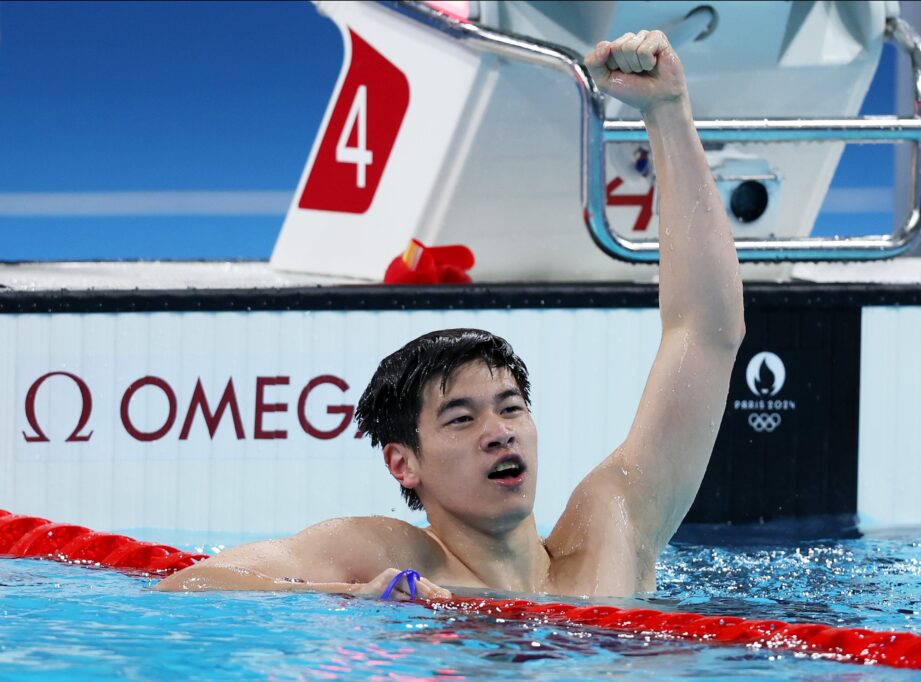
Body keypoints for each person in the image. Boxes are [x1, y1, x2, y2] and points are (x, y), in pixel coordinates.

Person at [156, 29, 744, 599]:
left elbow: (707, 334)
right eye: (461, 419)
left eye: (511, 407)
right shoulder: (391, 555)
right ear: (403, 463)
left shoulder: (612, 526)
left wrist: (668, 112)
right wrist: (356, 594)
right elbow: (189, 583)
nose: (499, 433)